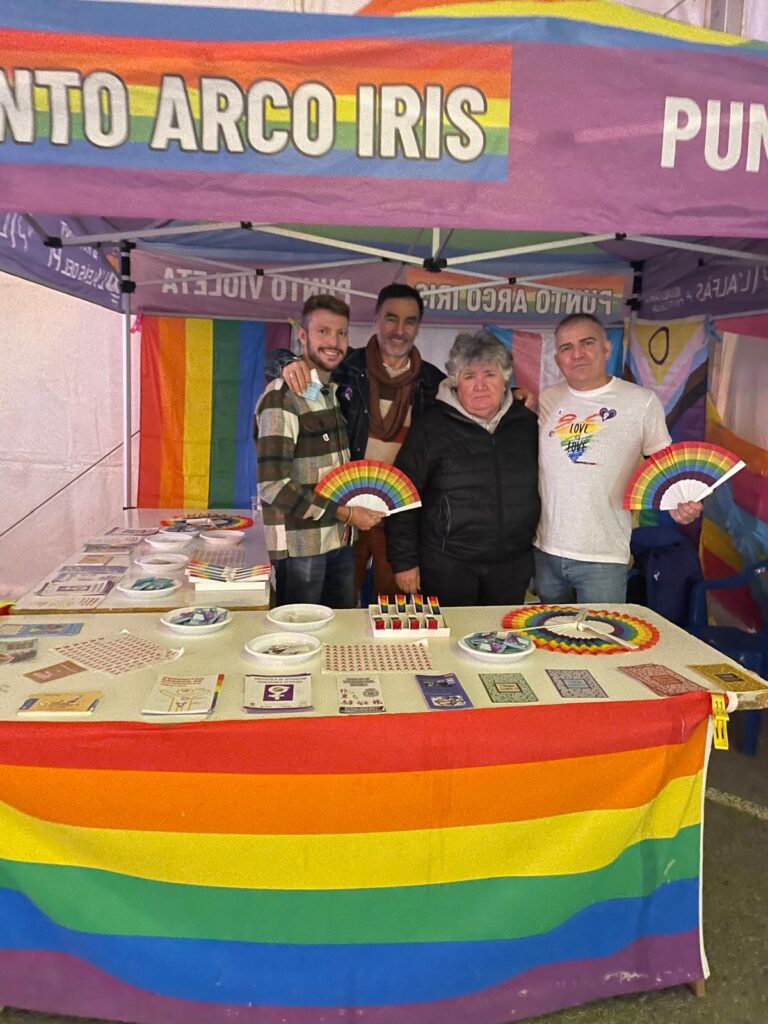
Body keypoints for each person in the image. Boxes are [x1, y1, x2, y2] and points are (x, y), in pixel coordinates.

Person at [279, 283, 445, 598]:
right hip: (341, 514)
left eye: (409, 321)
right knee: (333, 606)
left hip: (399, 521)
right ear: (375, 320)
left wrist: (517, 396)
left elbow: (474, 402)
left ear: (418, 327)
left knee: (391, 607)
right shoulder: (345, 369)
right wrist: (284, 364)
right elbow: (287, 367)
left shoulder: (433, 383)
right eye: (391, 318)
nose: (399, 330)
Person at [534, 312, 702, 604]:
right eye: (566, 348)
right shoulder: (548, 398)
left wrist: (680, 501)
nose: (577, 354)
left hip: (604, 556)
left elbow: (664, 464)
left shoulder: (641, 401)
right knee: (550, 629)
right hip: (545, 550)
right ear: (558, 359)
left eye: (587, 343)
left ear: (606, 348)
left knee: (602, 631)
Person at [385, 331, 539, 606]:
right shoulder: (431, 427)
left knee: (501, 633)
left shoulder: (528, 424)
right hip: (447, 565)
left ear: (505, 379)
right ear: (456, 382)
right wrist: (404, 562)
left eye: (489, 374)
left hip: (512, 566)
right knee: (450, 633)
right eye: (469, 376)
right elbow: (402, 494)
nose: (480, 385)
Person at [255, 294, 382, 607]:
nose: (334, 342)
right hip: (301, 547)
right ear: (303, 335)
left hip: (338, 539)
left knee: (340, 630)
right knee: (301, 632)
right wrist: (347, 513)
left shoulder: (328, 392)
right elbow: (273, 486)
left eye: (341, 333)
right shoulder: (282, 397)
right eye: (323, 331)